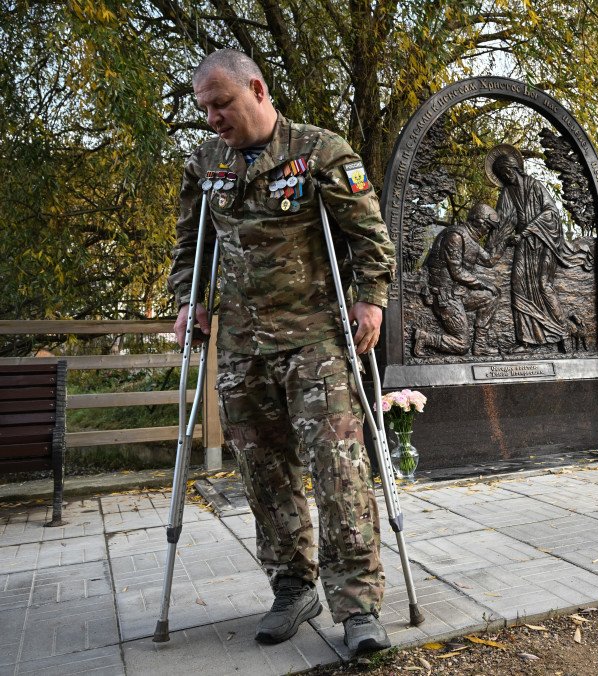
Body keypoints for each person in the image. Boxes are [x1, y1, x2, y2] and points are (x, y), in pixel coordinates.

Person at [168, 49, 396, 654]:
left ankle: (359, 608)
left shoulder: (319, 151)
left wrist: (369, 300)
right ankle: (294, 587)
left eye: (221, 104)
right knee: (265, 474)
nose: (213, 118)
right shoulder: (204, 164)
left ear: (257, 90)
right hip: (242, 346)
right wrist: (187, 303)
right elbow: (191, 246)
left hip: (315, 339)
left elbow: (371, 237)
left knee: (337, 470)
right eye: (204, 109)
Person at [489, 150, 592, 351]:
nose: (505, 177)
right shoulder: (508, 192)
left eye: (506, 172)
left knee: (543, 285)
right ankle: (526, 341)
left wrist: (527, 230)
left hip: (545, 243)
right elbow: (504, 219)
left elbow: (551, 213)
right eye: (501, 175)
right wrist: (494, 244)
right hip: (524, 246)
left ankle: (563, 331)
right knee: (518, 286)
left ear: (514, 168)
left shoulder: (535, 186)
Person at [414, 204, 503, 357]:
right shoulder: (455, 236)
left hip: (458, 293)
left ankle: (480, 346)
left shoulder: (471, 240)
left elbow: (489, 261)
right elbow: (457, 272)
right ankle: (425, 338)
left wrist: (504, 241)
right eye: (488, 227)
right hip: (444, 296)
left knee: (492, 296)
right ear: (479, 221)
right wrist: (484, 284)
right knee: (462, 345)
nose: (487, 231)